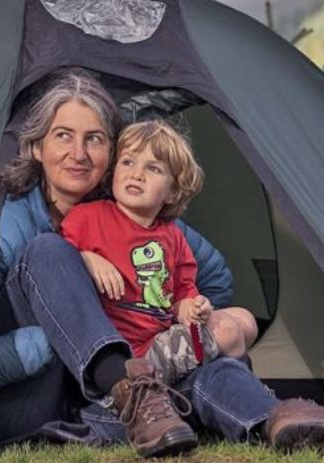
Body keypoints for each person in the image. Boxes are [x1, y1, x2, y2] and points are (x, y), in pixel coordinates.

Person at [0, 67, 324, 458]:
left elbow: (211, 273)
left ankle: (282, 419)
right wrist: (54, 340)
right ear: (36, 147)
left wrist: (183, 318)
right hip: (22, 398)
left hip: (113, 405)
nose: (79, 154)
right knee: (48, 251)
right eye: (63, 136)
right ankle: (132, 393)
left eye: (94, 139)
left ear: (110, 154)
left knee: (204, 370)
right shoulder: (4, 225)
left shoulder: (127, 217)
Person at [63, 119, 228, 390]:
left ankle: (184, 381)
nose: (136, 174)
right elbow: (56, 268)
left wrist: (191, 307)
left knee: (242, 322)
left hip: (159, 344)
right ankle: (151, 385)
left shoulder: (173, 237)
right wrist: (85, 258)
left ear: (173, 192)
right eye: (128, 162)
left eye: (152, 168)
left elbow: (182, 293)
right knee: (230, 335)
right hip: (113, 355)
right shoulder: (86, 219)